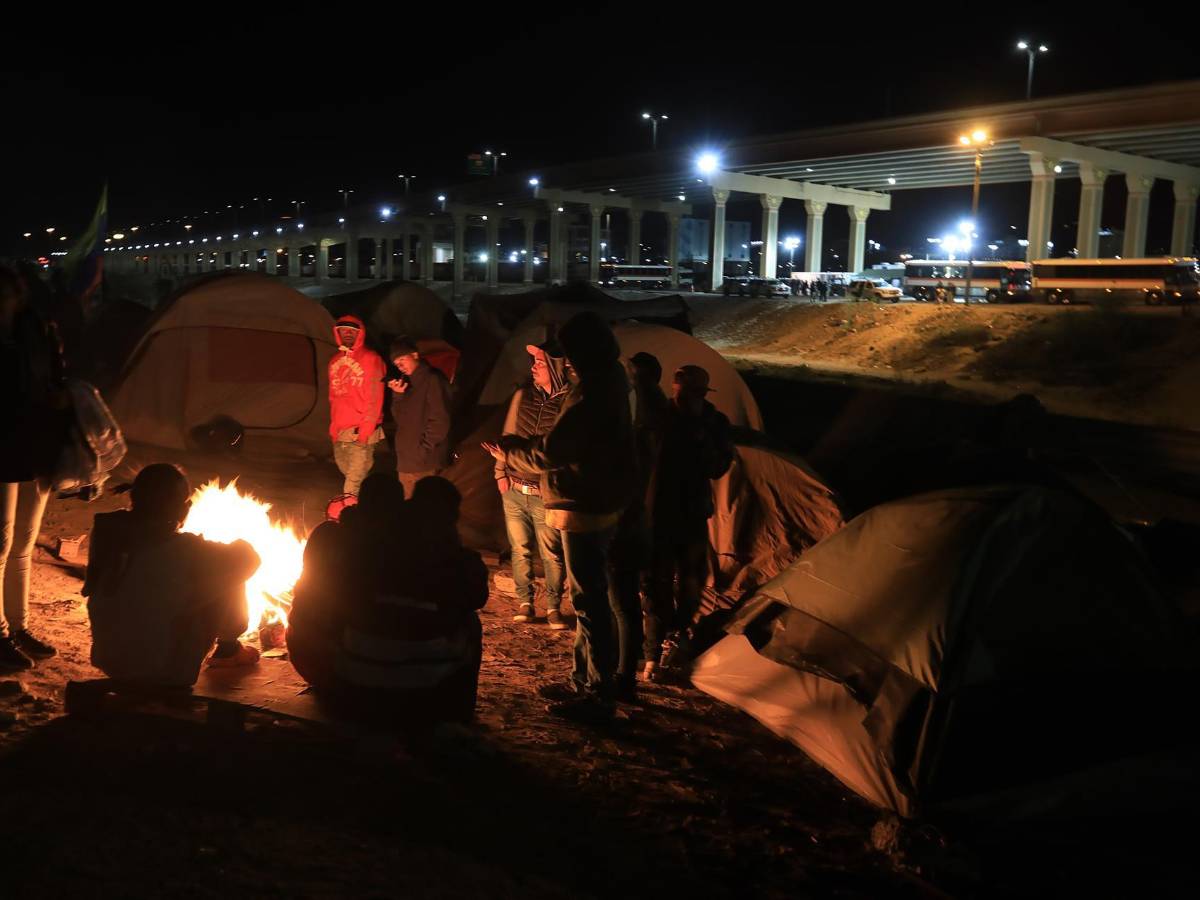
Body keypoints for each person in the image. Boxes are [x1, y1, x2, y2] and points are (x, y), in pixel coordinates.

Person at [484, 311, 636, 722]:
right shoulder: (611, 381)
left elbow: (555, 450)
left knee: (588, 601)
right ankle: (581, 681)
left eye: (569, 354)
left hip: (584, 505)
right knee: (588, 596)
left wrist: (511, 452)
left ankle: (599, 694)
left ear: (582, 352)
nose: (565, 362)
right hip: (596, 498)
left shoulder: (592, 392)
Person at [289, 475, 488, 726]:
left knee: (321, 608)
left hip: (351, 663)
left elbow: (324, 599)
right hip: (426, 678)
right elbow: (475, 598)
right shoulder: (452, 558)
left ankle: (342, 688)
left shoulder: (354, 545)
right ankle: (458, 713)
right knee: (470, 622)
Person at [83, 464, 261, 688]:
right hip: (167, 671)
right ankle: (228, 649)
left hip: (111, 661)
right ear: (184, 509)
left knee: (216, 571)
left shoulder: (106, 530)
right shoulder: (187, 548)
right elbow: (249, 558)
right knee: (231, 571)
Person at [1, 264, 69, 672]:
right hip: (3, 453)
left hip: (36, 451)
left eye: (6, 295)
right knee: (1, 545)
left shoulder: (37, 335)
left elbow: (57, 385)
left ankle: (18, 627)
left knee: (24, 545)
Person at [646, 365, 734, 678]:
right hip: (658, 511)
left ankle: (677, 635)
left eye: (684, 392)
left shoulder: (713, 423)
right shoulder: (660, 416)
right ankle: (653, 650)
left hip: (692, 512)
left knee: (690, 581)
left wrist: (699, 436)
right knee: (656, 581)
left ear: (698, 394)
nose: (678, 396)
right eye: (676, 390)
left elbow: (718, 466)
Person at [607, 351, 669, 701]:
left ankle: (623, 674)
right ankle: (625, 670)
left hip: (630, 524)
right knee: (628, 602)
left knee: (624, 603)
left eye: (631, 374)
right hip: (639, 523)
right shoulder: (655, 414)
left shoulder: (644, 426)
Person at [388, 337, 453, 499]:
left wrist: (423, 450)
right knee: (408, 509)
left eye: (402, 359)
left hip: (423, 461)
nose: (400, 366)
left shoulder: (433, 379)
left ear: (415, 355)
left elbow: (440, 419)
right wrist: (398, 395)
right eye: (396, 364)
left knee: (422, 509)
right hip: (406, 460)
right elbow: (400, 419)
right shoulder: (407, 384)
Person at [328, 315, 386, 496]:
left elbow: (375, 398)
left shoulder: (371, 359)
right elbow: (333, 396)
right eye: (343, 330)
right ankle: (368, 512)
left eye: (352, 331)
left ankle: (348, 519)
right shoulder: (334, 361)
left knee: (351, 488)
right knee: (356, 482)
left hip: (361, 433)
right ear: (338, 332)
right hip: (340, 434)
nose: (347, 334)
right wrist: (333, 430)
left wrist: (364, 433)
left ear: (360, 334)